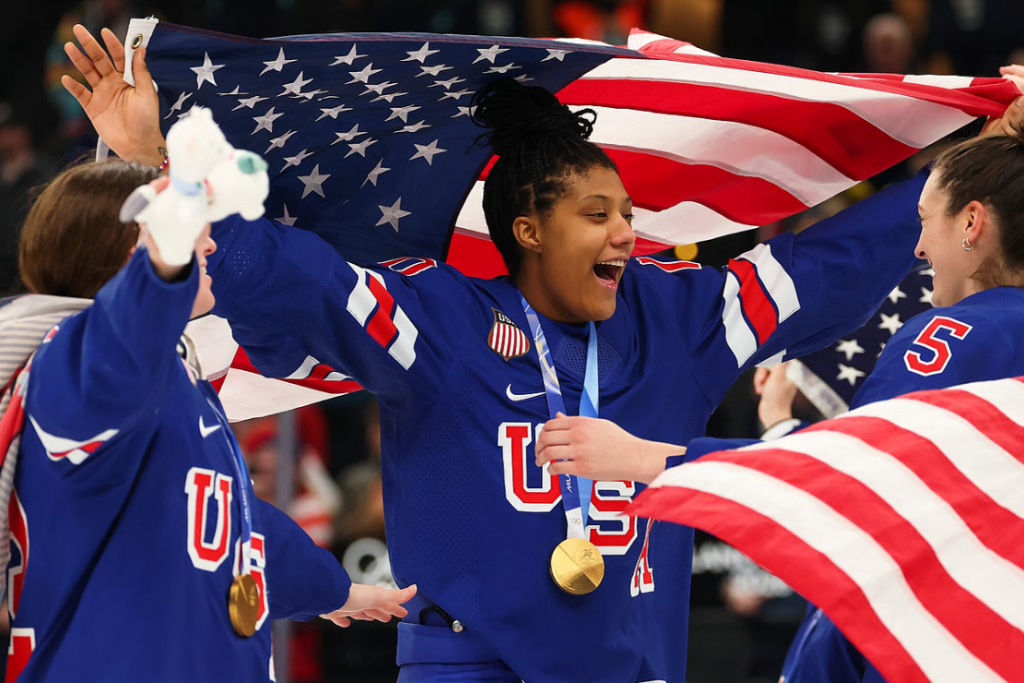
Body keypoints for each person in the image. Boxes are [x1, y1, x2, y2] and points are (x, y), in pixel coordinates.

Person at [63, 24, 985, 683]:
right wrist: (155, 158)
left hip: (635, 665)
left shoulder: (679, 318)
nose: (626, 233)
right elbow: (289, 271)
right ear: (529, 228)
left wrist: (970, 163)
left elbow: (818, 267)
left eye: (626, 214)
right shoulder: (435, 318)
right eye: (598, 215)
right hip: (467, 663)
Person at [536, 78, 1024, 683]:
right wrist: (787, 427)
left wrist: (644, 457)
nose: (919, 246)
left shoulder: (957, 336)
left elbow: (855, 480)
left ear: (972, 223)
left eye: (924, 220)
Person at [3, 158, 417, 682]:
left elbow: (228, 519)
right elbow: (125, 330)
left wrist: (332, 590)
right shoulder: (73, 365)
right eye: (189, 232)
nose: (209, 246)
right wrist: (164, 247)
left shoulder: (169, 381)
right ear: (139, 252)